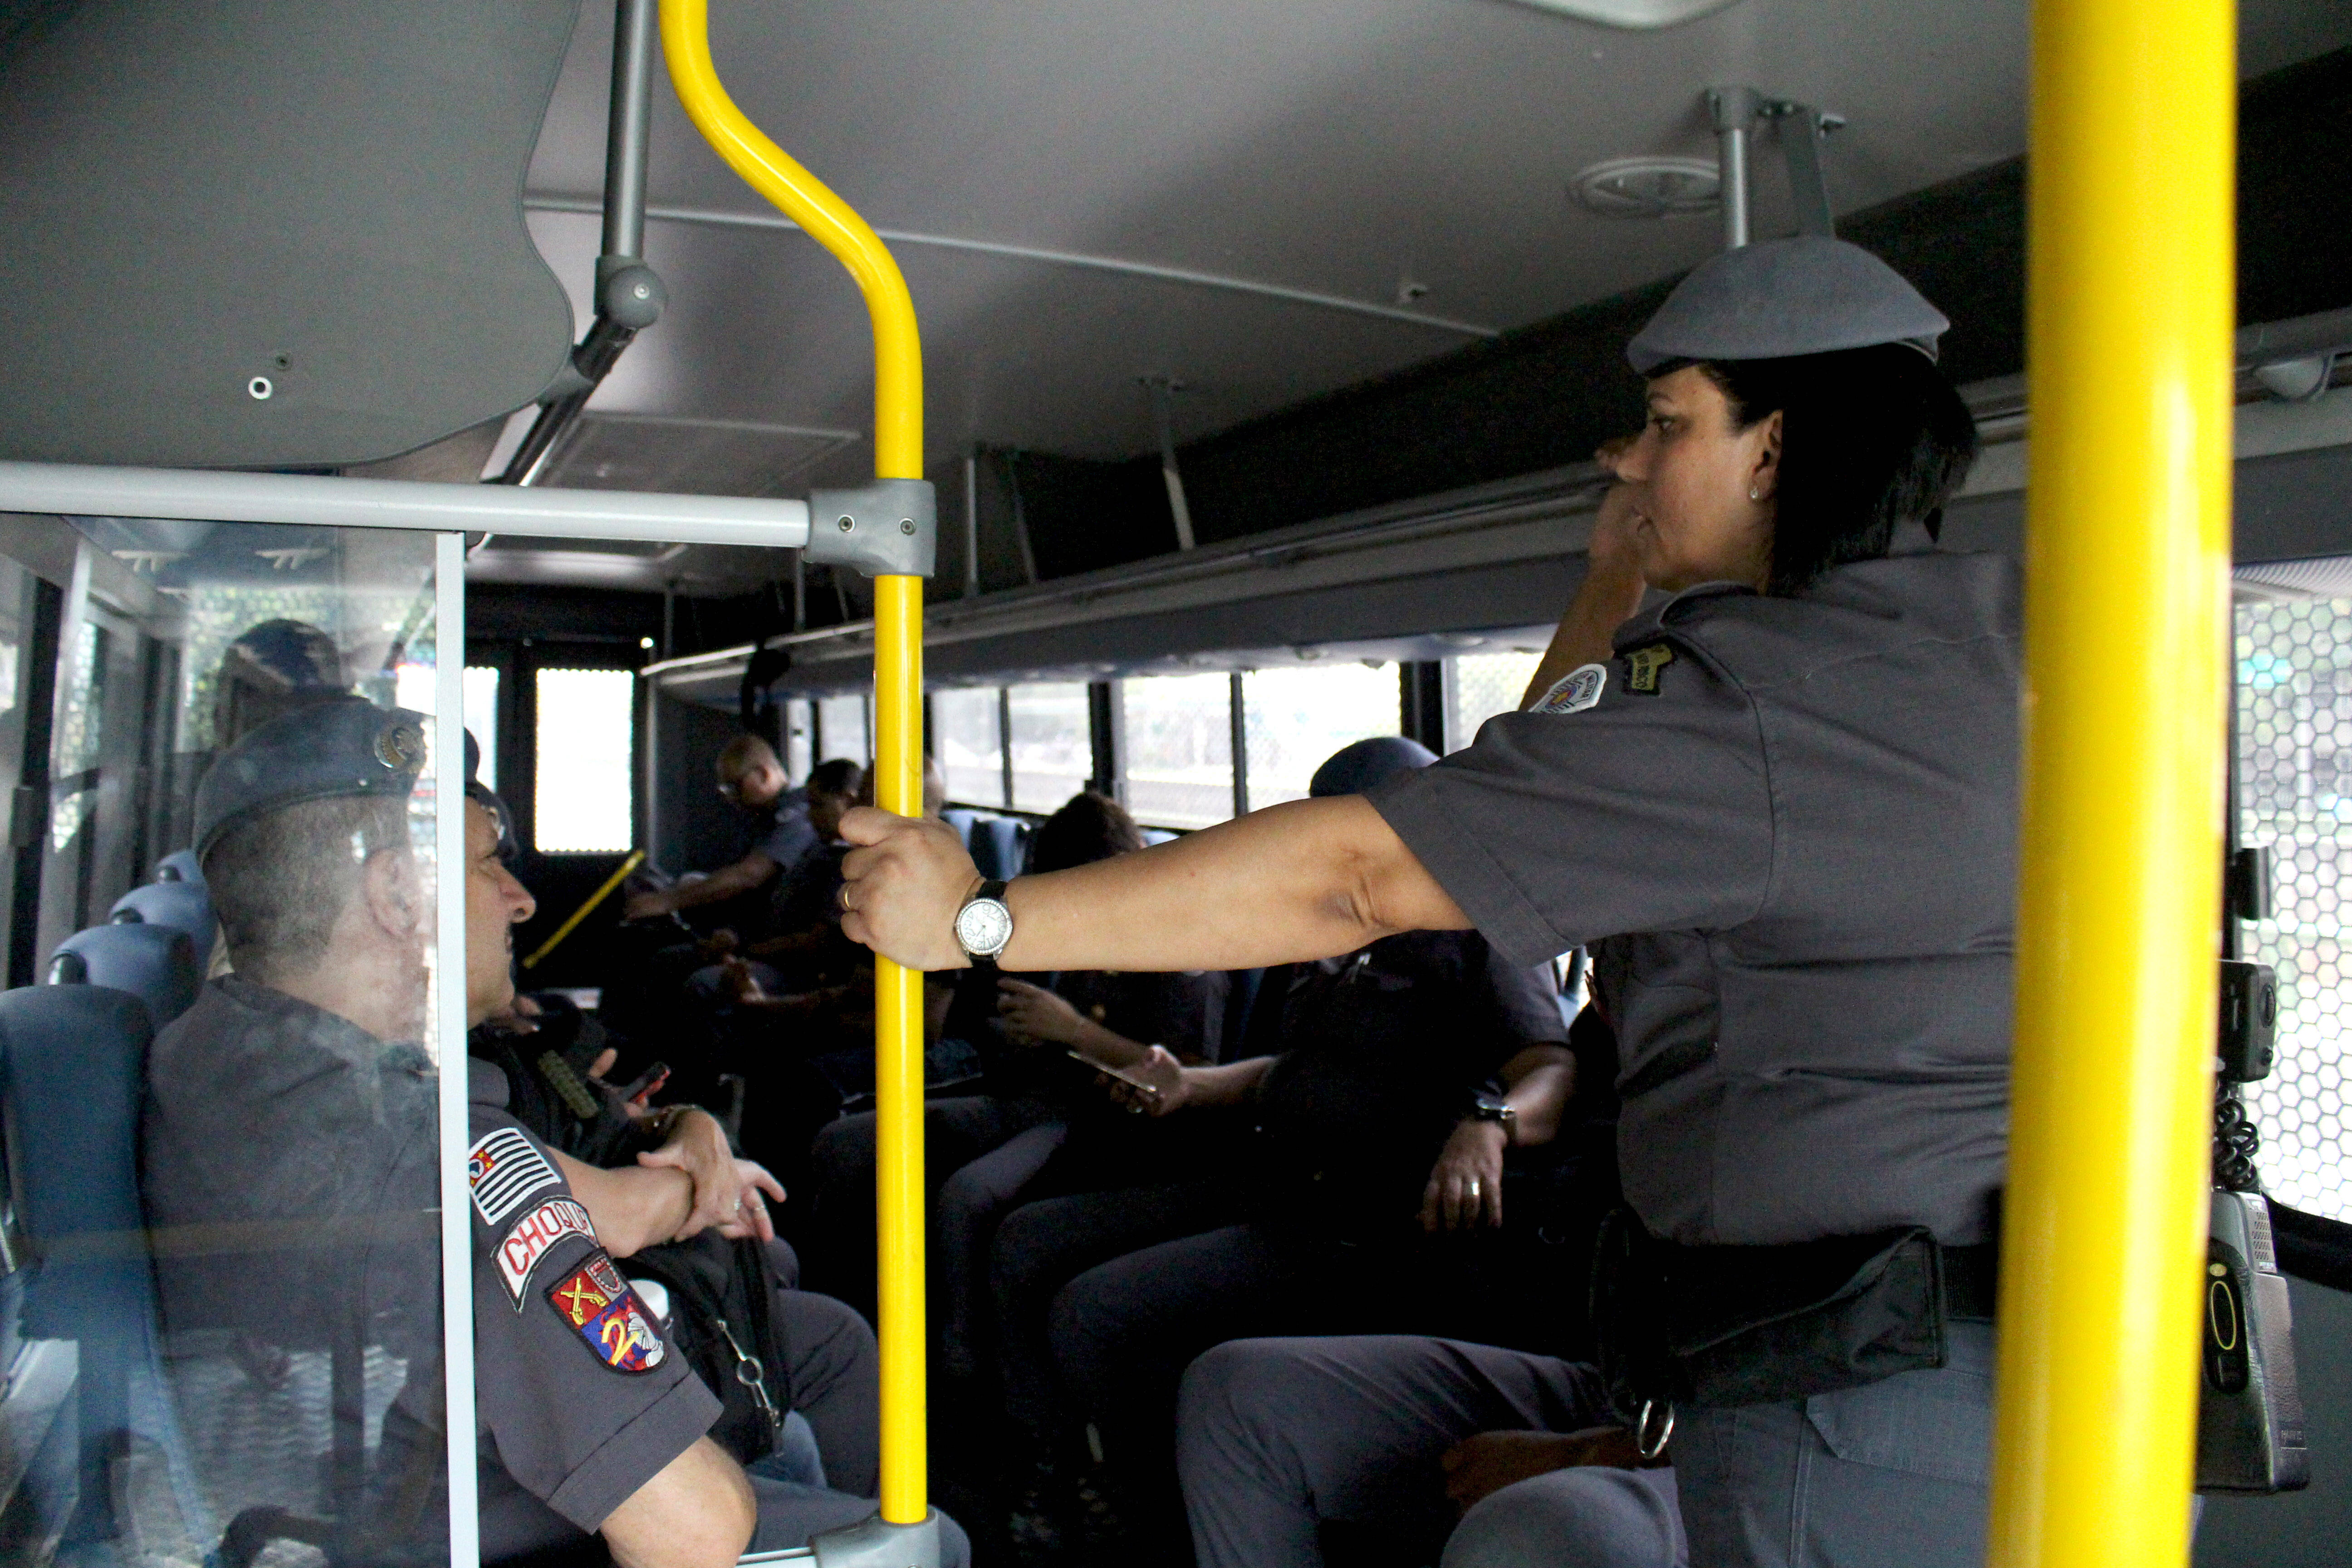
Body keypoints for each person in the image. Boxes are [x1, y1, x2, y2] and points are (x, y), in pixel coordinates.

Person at [835, 234, 2005, 1568]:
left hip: (1870, 1395)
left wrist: (979, 920)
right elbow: (1541, 777)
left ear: (1773, 450)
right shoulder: (1956, 650)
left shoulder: (1761, 711)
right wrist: (1618, 577)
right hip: (1889, 1352)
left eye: (1666, 424)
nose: (1626, 458)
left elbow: (1360, 875)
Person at [141, 697, 967, 1565]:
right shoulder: (441, 1165)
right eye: (487, 865)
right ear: (396, 894)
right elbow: (695, 1531)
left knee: (789, 1430)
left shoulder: (205, 1053)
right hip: (463, 1522)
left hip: (377, 1475)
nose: (521, 899)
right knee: (930, 1544)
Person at [622, 737, 848, 925]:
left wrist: (666, 901)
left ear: (763, 775)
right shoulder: (763, 820)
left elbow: (748, 876)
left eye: (734, 787)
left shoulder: (796, 816)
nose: (731, 798)